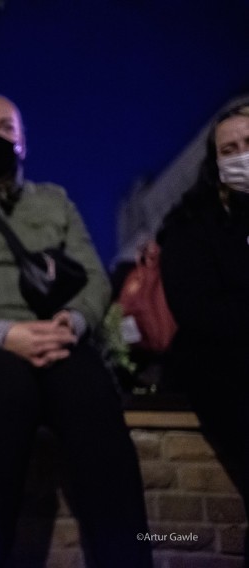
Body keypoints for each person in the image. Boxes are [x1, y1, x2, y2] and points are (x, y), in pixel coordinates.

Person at [0, 94, 152, 567]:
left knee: (90, 389)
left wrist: (73, 322)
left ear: (22, 142)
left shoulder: (54, 200)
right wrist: (1, 332)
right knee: (6, 385)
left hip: (52, 335)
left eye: (4, 126)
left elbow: (95, 276)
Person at [157, 103, 249, 567]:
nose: (241, 157)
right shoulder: (191, 225)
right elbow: (198, 310)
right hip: (220, 366)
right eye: (229, 149)